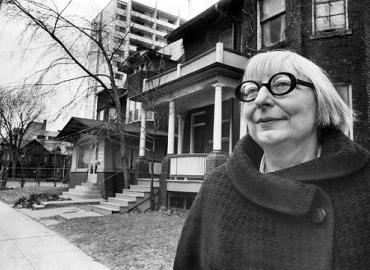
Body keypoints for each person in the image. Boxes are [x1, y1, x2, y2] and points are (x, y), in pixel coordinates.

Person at [173, 50, 370, 270]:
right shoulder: (217, 188)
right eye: (251, 90)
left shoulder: (364, 182)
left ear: (320, 101)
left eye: (282, 84)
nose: (260, 99)